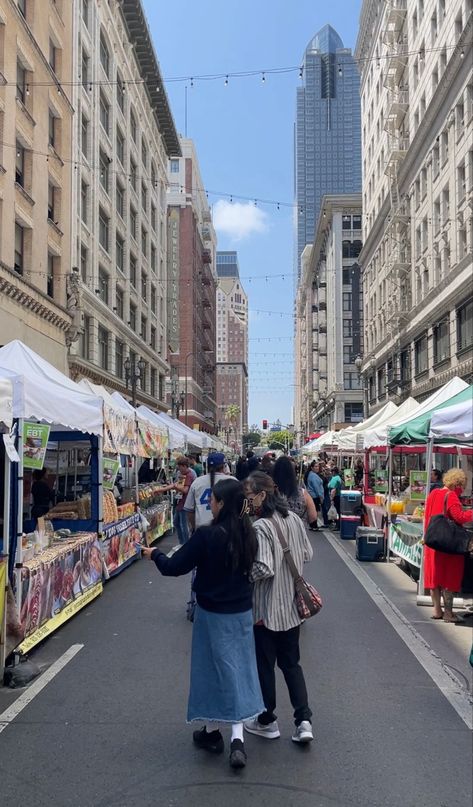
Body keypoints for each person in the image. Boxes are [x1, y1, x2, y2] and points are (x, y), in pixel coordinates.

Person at [141, 479, 264, 769]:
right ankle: (235, 737)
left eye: (213, 500)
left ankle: (214, 732)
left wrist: (154, 554)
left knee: (211, 671)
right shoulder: (249, 534)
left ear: (221, 503)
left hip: (212, 614)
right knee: (239, 671)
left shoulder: (207, 536)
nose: (209, 503)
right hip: (241, 613)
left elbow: (174, 567)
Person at [243, 471, 314, 744]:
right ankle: (304, 720)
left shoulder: (261, 527)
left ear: (262, 495)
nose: (248, 503)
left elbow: (262, 568)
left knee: (265, 666)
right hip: (292, 609)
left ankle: (267, 720)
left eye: (250, 497)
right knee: (292, 664)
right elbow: (308, 554)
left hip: (266, 608)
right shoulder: (293, 519)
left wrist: (241, 570)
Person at [423, 468, 473, 623]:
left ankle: (437, 610)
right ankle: (449, 614)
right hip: (448, 545)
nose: (462, 489)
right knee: (449, 577)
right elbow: (460, 517)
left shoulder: (433, 493)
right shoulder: (451, 495)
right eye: (462, 486)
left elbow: (427, 516)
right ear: (457, 484)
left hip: (433, 542)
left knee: (435, 577)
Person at [185, 452, 236, 531]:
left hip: (202, 529)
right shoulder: (232, 481)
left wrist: (194, 527)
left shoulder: (197, 482)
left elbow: (189, 510)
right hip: (227, 530)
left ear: (207, 466)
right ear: (224, 466)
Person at [272, 456, 318, 529]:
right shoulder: (303, 493)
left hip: (275, 535)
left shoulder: (268, 492)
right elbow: (313, 517)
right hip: (298, 535)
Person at [171, 457, 196, 545]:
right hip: (180, 501)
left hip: (186, 502)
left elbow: (185, 490)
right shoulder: (181, 474)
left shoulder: (190, 474)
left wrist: (175, 486)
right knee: (177, 522)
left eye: (180, 467)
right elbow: (180, 486)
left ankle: (185, 544)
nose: (179, 469)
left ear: (184, 466)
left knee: (183, 524)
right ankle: (182, 543)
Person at [306, 461, 324, 530]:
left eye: (318, 466)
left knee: (313, 510)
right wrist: (320, 496)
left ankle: (312, 524)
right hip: (315, 495)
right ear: (312, 468)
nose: (317, 468)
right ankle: (314, 525)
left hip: (312, 495)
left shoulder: (312, 474)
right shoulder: (313, 475)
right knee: (315, 510)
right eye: (315, 466)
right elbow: (316, 487)